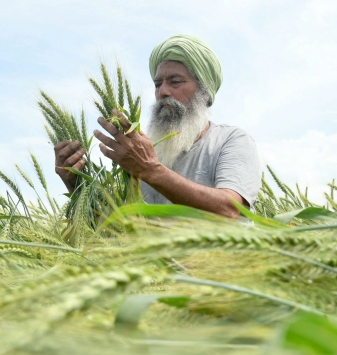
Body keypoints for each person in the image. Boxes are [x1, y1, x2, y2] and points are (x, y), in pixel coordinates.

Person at [53, 34, 262, 219]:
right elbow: (114, 231)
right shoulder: (145, 155)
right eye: (157, 84)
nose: (162, 92)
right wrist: (75, 184)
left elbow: (231, 209)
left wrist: (150, 170)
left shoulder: (231, 140)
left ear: (205, 92)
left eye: (175, 81)